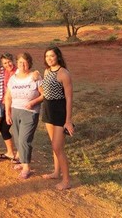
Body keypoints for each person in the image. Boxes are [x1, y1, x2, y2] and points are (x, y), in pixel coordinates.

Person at [6, 53, 43, 179]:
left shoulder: (35, 77)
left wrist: (33, 102)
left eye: (25, 62)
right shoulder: (13, 78)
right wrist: (7, 113)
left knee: (24, 139)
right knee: (17, 138)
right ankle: (22, 161)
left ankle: (26, 167)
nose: (22, 64)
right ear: (17, 63)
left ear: (29, 63)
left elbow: (44, 95)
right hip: (15, 110)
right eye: (20, 62)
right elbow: (8, 96)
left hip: (30, 112)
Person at [41, 46, 74, 190]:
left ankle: (66, 181)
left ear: (58, 57)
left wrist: (68, 120)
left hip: (59, 112)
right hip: (48, 110)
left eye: (52, 56)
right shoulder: (47, 71)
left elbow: (69, 98)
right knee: (54, 145)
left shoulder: (63, 73)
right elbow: (45, 91)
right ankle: (56, 172)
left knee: (58, 147)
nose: (49, 58)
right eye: (47, 56)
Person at [0, 53, 18, 161]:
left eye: (9, 61)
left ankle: (20, 155)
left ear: (13, 60)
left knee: (17, 130)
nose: (8, 64)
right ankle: (10, 152)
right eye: (5, 63)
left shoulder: (18, 72)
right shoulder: (5, 72)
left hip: (16, 104)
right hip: (6, 104)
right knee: (2, 127)